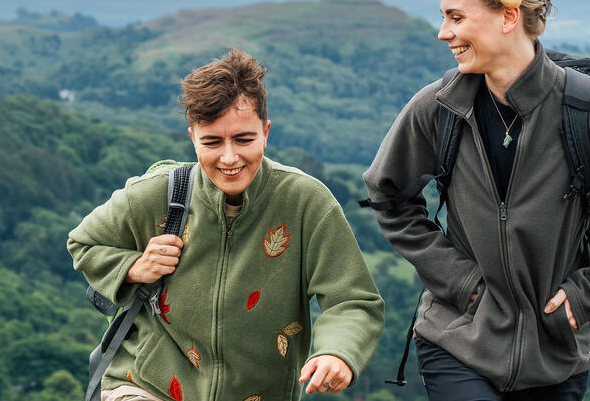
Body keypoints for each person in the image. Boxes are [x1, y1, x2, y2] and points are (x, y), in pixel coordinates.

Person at [364, 0, 590, 400]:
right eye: (444, 17)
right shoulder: (439, 108)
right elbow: (387, 193)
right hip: (457, 337)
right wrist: (461, 283)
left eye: (456, 17)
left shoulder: (587, 112)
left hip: (553, 355)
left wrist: (588, 295)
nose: (443, 32)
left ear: (508, 16)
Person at [70, 49, 383, 401]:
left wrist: (337, 352)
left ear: (266, 132)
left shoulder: (306, 202)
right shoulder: (158, 193)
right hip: (146, 385)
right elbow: (83, 243)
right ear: (193, 137)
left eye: (244, 139)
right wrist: (134, 268)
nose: (229, 157)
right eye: (212, 142)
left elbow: (352, 299)